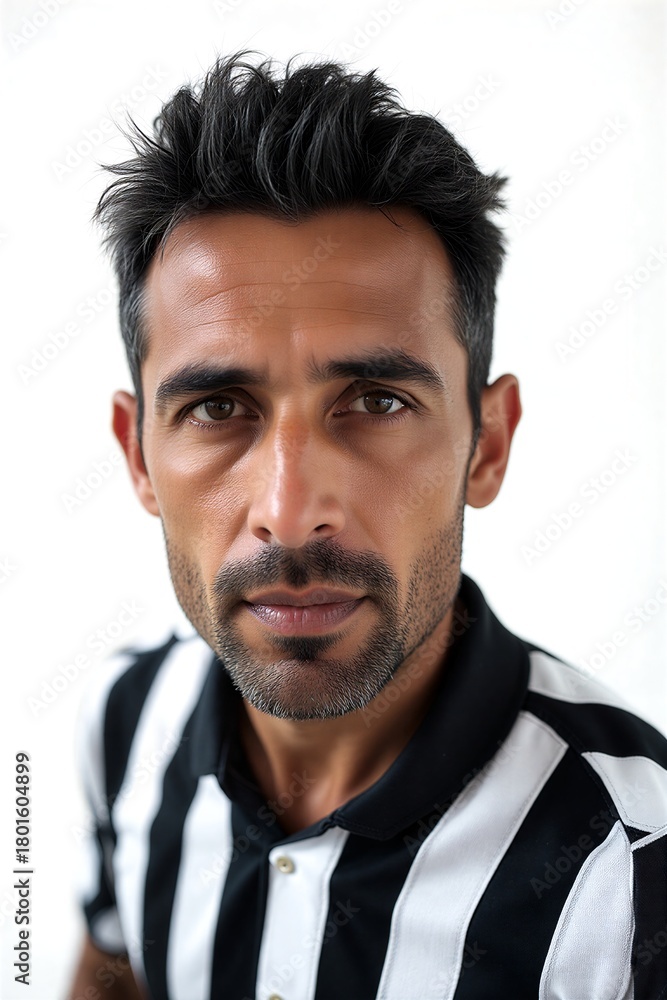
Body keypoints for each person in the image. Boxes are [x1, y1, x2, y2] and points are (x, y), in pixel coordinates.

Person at [68, 49, 667, 1000]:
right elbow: (111, 972)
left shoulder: (632, 875)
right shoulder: (122, 721)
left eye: (376, 401)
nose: (291, 512)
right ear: (139, 455)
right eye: (218, 407)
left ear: (487, 444)